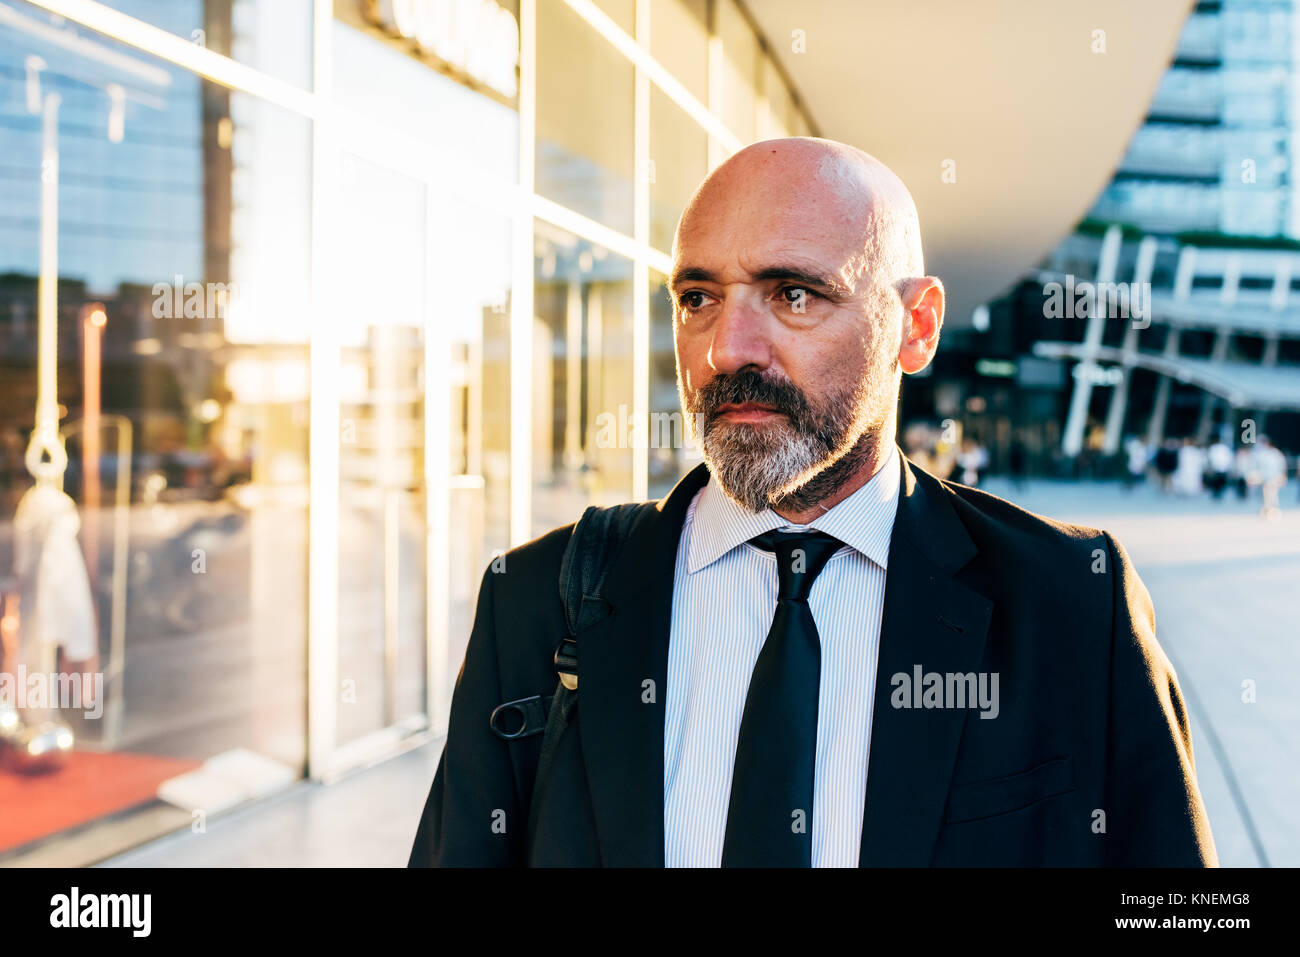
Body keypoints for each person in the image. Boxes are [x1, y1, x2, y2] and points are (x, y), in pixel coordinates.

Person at [409, 138, 1217, 868]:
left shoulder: (1071, 601)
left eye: (793, 294)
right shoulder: (538, 602)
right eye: (698, 297)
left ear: (918, 325)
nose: (727, 347)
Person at [1249, 436, 1288, 519]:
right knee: (1269, 494)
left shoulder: (1270, 454)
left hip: (1271, 478)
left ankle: (1271, 510)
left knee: (1270, 494)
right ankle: (1269, 509)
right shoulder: (1274, 454)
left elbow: (1281, 466)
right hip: (1268, 478)